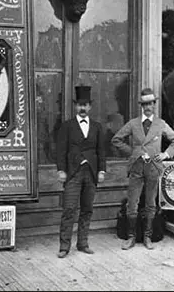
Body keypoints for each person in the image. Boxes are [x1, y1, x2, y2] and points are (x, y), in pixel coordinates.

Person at [111, 88, 174, 250]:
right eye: (145, 104)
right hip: (136, 167)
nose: (148, 106)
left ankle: (148, 237)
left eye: (150, 103)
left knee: (151, 203)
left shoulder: (160, 124)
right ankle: (130, 237)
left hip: (153, 167)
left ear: (154, 104)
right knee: (132, 203)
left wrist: (165, 154)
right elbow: (116, 140)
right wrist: (134, 152)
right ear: (141, 105)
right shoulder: (133, 123)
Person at [56, 86, 107, 258]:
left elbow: (102, 150)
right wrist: (61, 170)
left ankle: (83, 243)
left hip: (91, 173)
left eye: (85, 105)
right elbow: (60, 150)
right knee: (69, 209)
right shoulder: (67, 126)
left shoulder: (97, 127)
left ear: (90, 107)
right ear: (76, 107)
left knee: (87, 209)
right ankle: (64, 246)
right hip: (73, 173)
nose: (82, 108)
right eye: (79, 105)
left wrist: (101, 170)